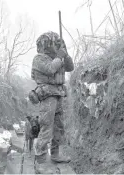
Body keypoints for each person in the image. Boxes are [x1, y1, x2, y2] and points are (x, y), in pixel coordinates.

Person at [30, 31, 74, 174]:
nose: (54, 46)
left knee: (59, 127)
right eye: (53, 43)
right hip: (47, 95)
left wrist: (65, 55)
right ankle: (40, 160)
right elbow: (50, 69)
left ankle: (55, 154)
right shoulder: (39, 59)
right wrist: (59, 56)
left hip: (59, 94)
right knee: (46, 127)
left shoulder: (58, 57)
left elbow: (70, 67)